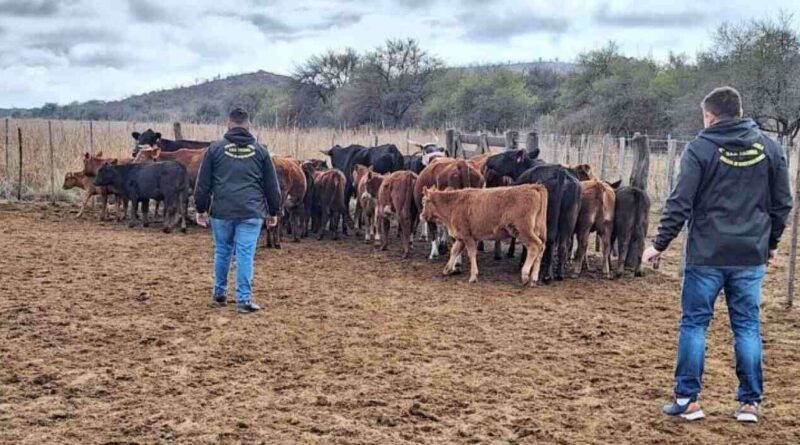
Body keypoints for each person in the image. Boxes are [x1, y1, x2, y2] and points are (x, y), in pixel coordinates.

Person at [643, 87, 793, 423]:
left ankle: (687, 400)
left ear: (710, 116)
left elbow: (680, 202)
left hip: (706, 256)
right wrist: (767, 245)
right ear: (739, 112)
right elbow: (782, 204)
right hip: (749, 256)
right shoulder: (770, 149)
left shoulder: (700, 149)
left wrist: (659, 244)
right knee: (747, 327)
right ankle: (749, 404)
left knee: (695, 324)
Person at [194, 108, 282, 314]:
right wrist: (273, 211)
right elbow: (272, 186)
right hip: (251, 212)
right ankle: (243, 300)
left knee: (222, 251)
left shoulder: (214, 150)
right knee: (245, 253)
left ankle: (219, 293)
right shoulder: (261, 152)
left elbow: (203, 184)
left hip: (222, 211)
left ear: (228, 124)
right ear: (248, 125)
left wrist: (200, 209)